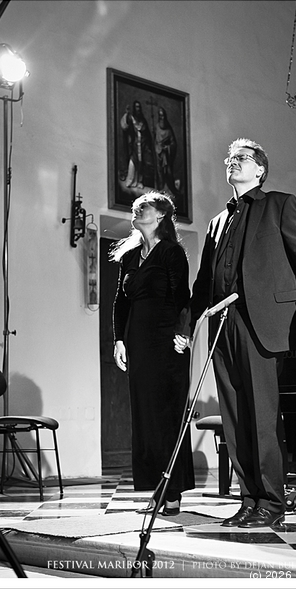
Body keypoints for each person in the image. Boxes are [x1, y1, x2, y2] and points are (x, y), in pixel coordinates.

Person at [175, 137, 296, 528]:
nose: (233, 162)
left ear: (260, 169)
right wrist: (187, 325)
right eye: (229, 158)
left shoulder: (279, 204)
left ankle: (272, 503)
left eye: (242, 158)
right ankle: (249, 500)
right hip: (222, 325)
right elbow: (204, 282)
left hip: (261, 322)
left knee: (261, 418)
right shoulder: (217, 221)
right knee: (235, 419)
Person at [111, 191, 195, 515]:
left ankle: (172, 492)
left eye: (143, 207)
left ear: (160, 215)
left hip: (167, 343)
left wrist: (183, 333)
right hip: (139, 344)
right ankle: (156, 488)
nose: (136, 209)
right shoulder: (130, 256)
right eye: (135, 207)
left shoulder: (172, 252)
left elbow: (183, 297)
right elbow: (120, 302)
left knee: (168, 417)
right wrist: (119, 340)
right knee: (145, 418)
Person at [120, 101, 155, 189]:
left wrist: (148, 144)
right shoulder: (131, 118)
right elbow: (124, 126)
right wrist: (126, 114)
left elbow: (147, 135)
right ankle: (130, 180)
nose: (138, 109)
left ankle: (139, 181)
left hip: (142, 146)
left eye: (139, 107)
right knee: (132, 162)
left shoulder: (143, 121)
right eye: (136, 107)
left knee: (141, 163)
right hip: (134, 145)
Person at [155, 107, 177, 194]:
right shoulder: (156, 127)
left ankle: (168, 189)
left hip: (166, 155)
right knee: (159, 172)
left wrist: (167, 148)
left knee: (167, 172)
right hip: (158, 153)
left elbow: (173, 143)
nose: (162, 118)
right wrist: (157, 147)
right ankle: (160, 189)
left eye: (163, 115)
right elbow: (154, 140)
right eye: (160, 116)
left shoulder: (169, 130)